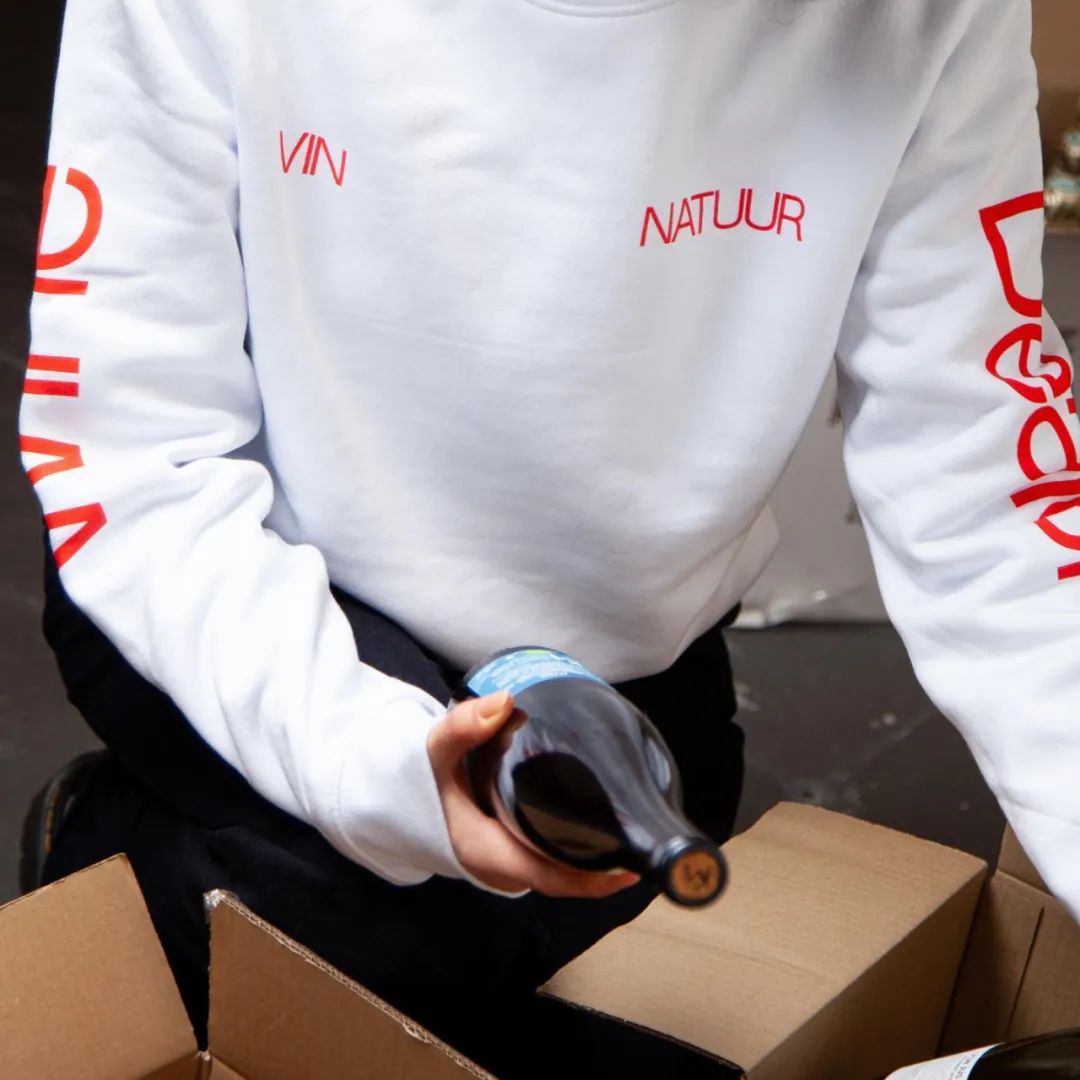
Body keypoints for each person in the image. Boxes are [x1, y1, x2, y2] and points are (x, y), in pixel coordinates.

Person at [19, 0, 1078, 1074]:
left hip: (610, 660)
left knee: (627, 1025)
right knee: (371, 953)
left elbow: (989, 481)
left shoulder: (924, 17)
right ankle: (100, 834)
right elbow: (138, 447)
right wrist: (378, 764)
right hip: (237, 561)